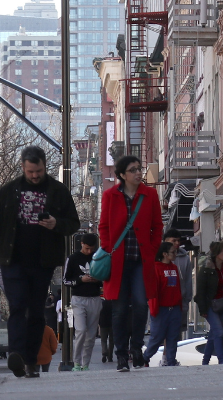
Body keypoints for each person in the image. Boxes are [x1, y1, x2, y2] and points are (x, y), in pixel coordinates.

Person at [0, 146, 80, 379]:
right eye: (30, 171)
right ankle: (17, 354)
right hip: (12, 260)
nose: (34, 175)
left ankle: (31, 361)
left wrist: (56, 223)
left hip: (42, 261)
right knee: (17, 306)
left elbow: (73, 223)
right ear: (22, 168)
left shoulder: (58, 191)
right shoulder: (8, 192)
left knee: (36, 311)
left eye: (38, 171)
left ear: (45, 166)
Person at [99, 155, 162, 372]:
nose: (138, 173)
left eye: (139, 169)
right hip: (117, 262)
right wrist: (108, 249)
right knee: (118, 310)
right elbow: (103, 227)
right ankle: (121, 355)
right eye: (133, 170)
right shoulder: (110, 196)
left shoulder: (150, 194)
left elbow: (157, 227)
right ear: (122, 175)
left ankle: (137, 348)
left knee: (141, 303)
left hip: (140, 262)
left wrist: (153, 250)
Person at [195, 241, 223, 365]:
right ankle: (222, 360)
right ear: (216, 253)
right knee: (219, 332)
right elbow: (200, 291)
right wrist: (203, 309)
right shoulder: (206, 269)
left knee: (214, 333)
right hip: (210, 305)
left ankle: (205, 361)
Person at [63, 232, 103, 370]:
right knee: (80, 330)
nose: (89, 251)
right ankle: (77, 362)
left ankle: (85, 364)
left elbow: (106, 277)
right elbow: (65, 280)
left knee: (91, 335)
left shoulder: (98, 257)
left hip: (95, 298)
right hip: (78, 298)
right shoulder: (73, 258)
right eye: (87, 248)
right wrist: (80, 280)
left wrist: (98, 280)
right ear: (81, 244)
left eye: (92, 249)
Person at [143, 242, 183, 367]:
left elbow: (178, 288)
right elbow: (154, 290)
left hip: (174, 308)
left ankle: (171, 362)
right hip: (161, 309)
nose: (175, 254)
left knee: (173, 337)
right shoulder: (156, 268)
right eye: (173, 252)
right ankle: (144, 358)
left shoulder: (175, 268)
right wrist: (154, 309)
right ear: (164, 254)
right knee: (156, 337)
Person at [164, 230, 193, 341]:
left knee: (177, 333)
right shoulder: (157, 256)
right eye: (173, 240)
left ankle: (173, 357)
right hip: (163, 303)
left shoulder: (185, 257)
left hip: (180, 302)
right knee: (161, 334)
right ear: (166, 241)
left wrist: (186, 299)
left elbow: (188, 280)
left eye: (178, 240)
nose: (177, 243)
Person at [99, 299, 114, 363]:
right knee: (112, 340)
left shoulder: (101, 304)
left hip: (103, 324)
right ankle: (110, 356)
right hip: (112, 324)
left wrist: (99, 322)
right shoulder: (113, 303)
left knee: (103, 340)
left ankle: (104, 352)